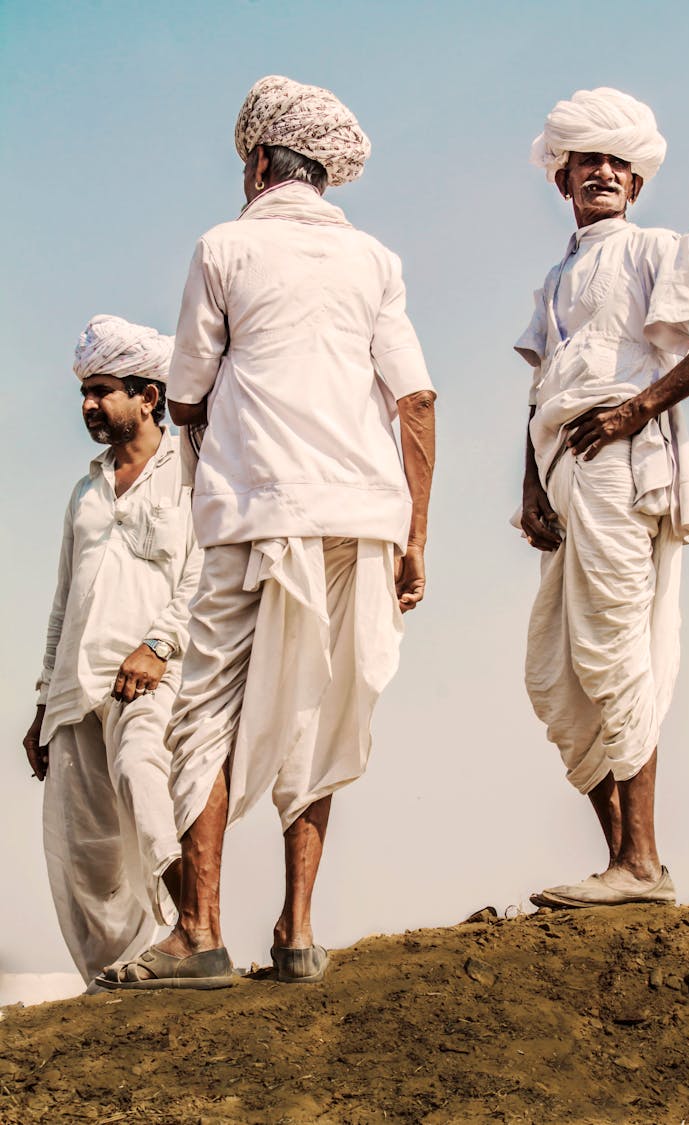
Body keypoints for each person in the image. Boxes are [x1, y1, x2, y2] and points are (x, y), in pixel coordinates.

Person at [97, 75, 436, 990]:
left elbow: (189, 387)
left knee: (205, 713)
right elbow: (414, 400)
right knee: (323, 710)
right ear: (321, 175)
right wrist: (415, 537)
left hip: (257, 513)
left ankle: (201, 931)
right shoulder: (377, 259)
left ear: (256, 165)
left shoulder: (224, 246)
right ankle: (297, 930)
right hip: (365, 516)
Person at [515, 87, 689, 908]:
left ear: (636, 181)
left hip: (621, 460)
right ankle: (621, 858)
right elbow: (543, 383)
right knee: (554, 669)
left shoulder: (655, 246)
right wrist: (530, 489)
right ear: (564, 179)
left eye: (618, 163)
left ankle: (641, 863)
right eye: (588, 162)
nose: (604, 173)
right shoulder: (557, 274)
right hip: (563, 468)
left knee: (617, 651)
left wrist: (639, 407)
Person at [23, 315, 201, 985]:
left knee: (142, 780)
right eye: (85, 394)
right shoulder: (85, 492)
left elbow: (206, 569)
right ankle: (117, 983)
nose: (89, 406)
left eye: (102, 391)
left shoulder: (192, 469)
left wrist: (158, 642)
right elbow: (63, 602)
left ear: (149, 395)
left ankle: (199, 935)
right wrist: (44, 702)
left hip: (152, 674)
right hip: (77, 683)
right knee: (84, 852)